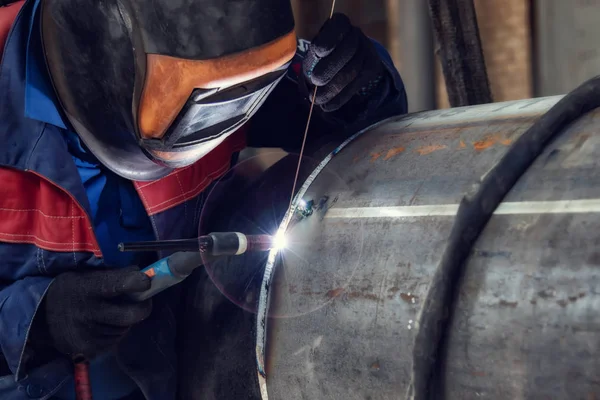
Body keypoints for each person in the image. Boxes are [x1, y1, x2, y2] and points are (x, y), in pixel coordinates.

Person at [0, 0, 407, 399]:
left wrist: (359, 87)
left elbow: (339, 126)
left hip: (189, 370)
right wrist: (36, 320)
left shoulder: (220, 53)